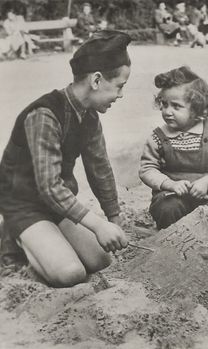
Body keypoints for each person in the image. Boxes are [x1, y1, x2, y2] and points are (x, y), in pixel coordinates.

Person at [0, 30, 131, 286]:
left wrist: (113, 219)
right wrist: (97, 225)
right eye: (119, 86)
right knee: (71, 273)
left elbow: (99, 167)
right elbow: (49, 186)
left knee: (100, 259)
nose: (121, 95)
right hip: (22, 204)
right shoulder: (44, 115)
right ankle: (12, 238)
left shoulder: (89, 114)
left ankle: (48, 237)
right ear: (96, 80)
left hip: (54, 205)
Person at [139, 66, 208, 230]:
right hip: (171, 196)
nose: (167, 111)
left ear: (197, 109)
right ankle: (173, 242)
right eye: (164, 104)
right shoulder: (158, 138)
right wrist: (169, 184)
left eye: (176, 106)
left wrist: (206, 182)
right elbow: (147, 170)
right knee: (167, 209)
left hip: (206, 195)